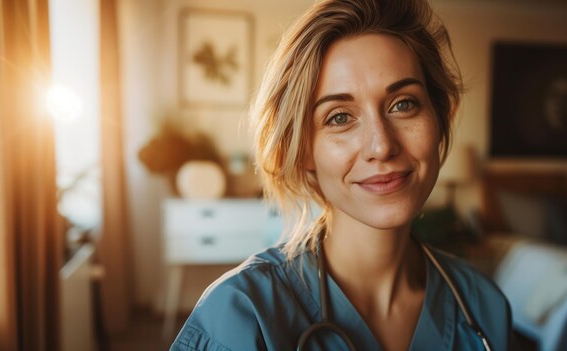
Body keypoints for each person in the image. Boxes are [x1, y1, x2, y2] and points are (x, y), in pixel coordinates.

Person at [170, 0, 512, 350]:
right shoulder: (239, 314)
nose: (381, 146)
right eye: (339, 117)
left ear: (439, 119)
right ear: (302, 150)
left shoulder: (483, 305)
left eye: (403, 104)